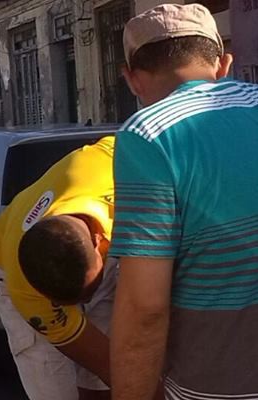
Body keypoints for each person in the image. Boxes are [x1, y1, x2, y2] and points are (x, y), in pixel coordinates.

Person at [109, 4, 258, 399]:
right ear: (224, 63)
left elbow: (145, 308)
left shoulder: (148, 136)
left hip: (220, 383)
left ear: (132, 80)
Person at [0, 136, 117, 400]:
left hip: (107, 244)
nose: (84, 305)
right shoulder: (26, 288)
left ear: (98, 241)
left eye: (87, 293)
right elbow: (105, 363)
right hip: (11, 275)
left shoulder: (114, 162)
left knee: (102, 385)